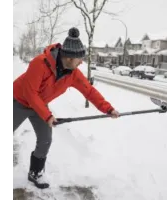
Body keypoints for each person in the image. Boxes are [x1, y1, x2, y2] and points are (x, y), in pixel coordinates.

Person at [11, 27, 120, 189]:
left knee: (45, 139)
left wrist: (108, 109)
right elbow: (30, 93)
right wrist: (48, 116)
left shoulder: (73, 74)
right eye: (79, 59)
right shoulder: (40, 63)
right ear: (69, 58)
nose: (81, 62)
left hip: (40, 105)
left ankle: (36, 173)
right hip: (18, 101)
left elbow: (89, 91)